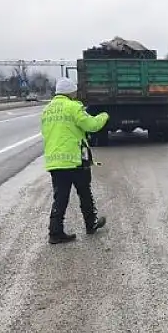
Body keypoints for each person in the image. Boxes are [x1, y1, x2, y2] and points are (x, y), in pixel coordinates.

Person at [41, 77, 110, 244]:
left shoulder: (47, 110)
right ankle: (90, 224)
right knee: (84, 193)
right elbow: (91, 125)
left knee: (60, 197)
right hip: (75, 160)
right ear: (71, 92)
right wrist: (104, 115)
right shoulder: (73, 107)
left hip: (55, 162)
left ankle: (55, 233)